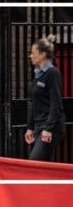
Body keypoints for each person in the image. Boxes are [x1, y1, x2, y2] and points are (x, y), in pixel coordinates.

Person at [25, 34, 66, 162]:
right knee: (44, 166)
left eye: (33, 52)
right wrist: (30, 127)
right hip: (39, 125)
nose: (30, 56)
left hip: (51, 127)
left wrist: (48, 129)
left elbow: (56, 104)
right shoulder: (38, 74)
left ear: (42, 54)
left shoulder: (53, 73)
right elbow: (34, 103)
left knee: (34, 163)